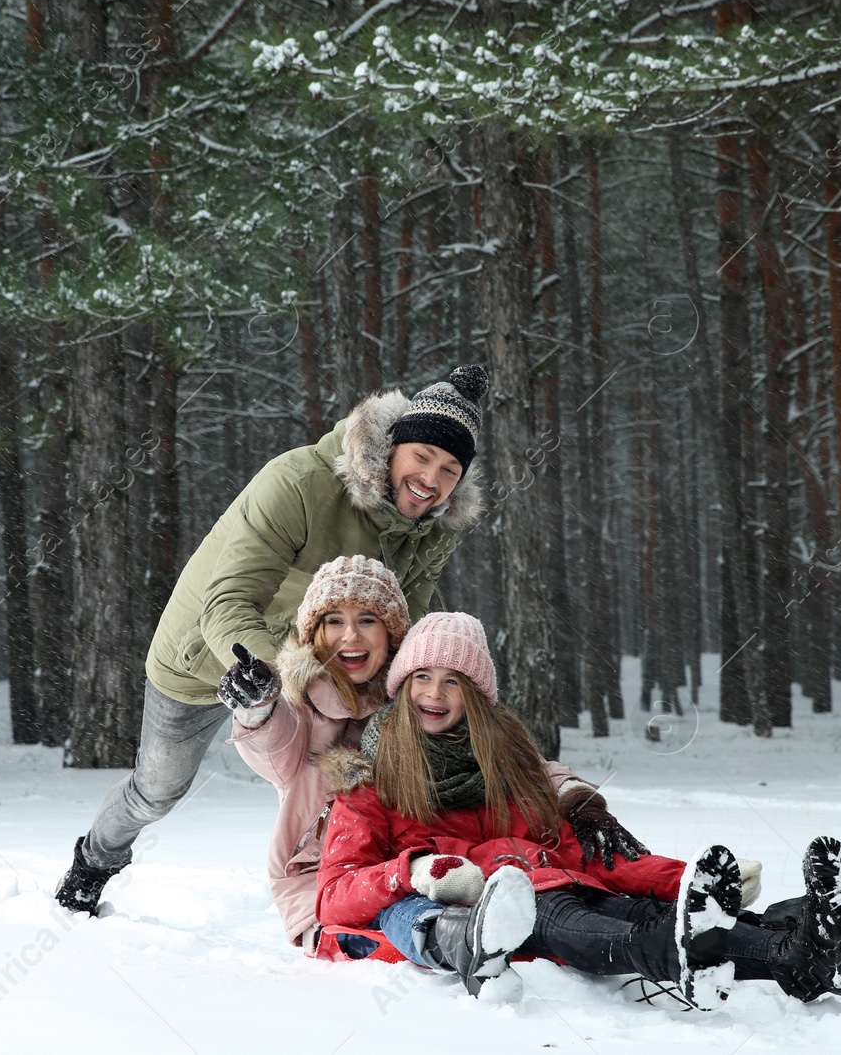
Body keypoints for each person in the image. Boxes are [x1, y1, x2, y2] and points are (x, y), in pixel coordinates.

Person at [55, 366, 644, 915]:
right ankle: (95, 859)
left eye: (449, 472)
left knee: (344, 774)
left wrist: (444, 695)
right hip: (206, 656)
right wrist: (278, 678)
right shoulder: (300, 482)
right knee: (157, 791)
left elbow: (406, 622)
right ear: (390, 448)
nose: (431, 482)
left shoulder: (430, 525)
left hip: (327, 671)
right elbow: (228, 600)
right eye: (422, 457)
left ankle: (346, 892)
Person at [315, 612, 841, 1008]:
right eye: (420, 677)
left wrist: (682, 880)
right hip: (515, 910)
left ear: (477, 697)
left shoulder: (508, 773)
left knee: (658, 917)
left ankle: (813, 947)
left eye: (451, 681)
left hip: (567, 885)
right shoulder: (371, 783)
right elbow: (335, 892)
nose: (433, 694)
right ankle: (702, 953)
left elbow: (584, 856)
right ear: (401, 684)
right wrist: (410, 871)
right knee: (617, 932)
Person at [224, 556, 631, 951]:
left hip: (434, 870)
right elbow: (272, 744)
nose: (350, 636)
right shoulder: (300, 715)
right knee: (415, 928)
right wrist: (256, 708)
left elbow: (513, 764)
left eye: (367, 620)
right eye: (334, 621)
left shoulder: (420, 697)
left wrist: (578, 800)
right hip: (333, 895)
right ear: (315, 633)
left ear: (391, 635)